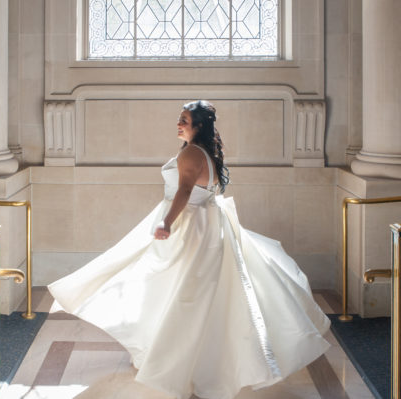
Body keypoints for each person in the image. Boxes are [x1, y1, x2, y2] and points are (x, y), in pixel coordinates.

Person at [48, 100, 330, 399]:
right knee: (191, 292)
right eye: (179, 119)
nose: (178, 124)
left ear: (198, 126)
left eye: (184, 120)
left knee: (182, 292)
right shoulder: (205, 153)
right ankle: (188, 359)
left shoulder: (193, 154)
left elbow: (184, 191)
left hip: (191, 228)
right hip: (205, 225)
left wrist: (167, 222)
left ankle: (181, 366)